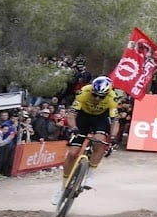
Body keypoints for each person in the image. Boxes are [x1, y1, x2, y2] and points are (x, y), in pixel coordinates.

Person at [50, 76, 119, 205]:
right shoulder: (84, 92)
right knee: (72, 153)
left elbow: (115, 121)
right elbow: (72, 114)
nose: (97, 98)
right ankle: (62, 189)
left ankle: (90, 176)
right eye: (95, 95)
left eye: (101, 96)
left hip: (100, 119)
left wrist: (114, 137)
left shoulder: (112, 98)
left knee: (99, 142)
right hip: (83, 117)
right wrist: (74, 127)